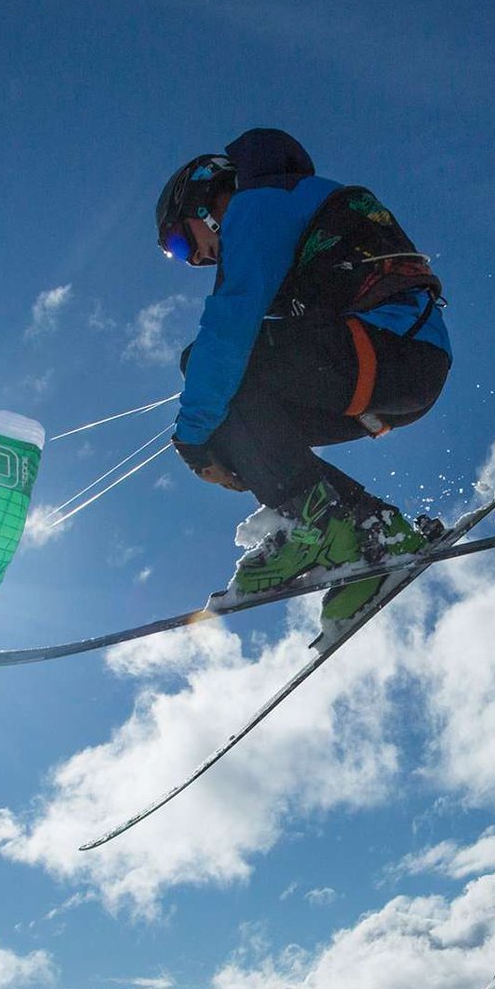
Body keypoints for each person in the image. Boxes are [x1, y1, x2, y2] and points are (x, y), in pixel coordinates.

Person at [156, 128, 452, 625]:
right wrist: (235, 450)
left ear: (206, 199)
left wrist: (192, 443)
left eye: (182, 241)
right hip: (399, 371)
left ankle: (315, 525)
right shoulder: (285, 213)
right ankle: (373, 537)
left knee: (211, 375)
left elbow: (226, 336)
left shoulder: (258, 204)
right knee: (232, 418)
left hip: (388, 352)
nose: (198, 258)